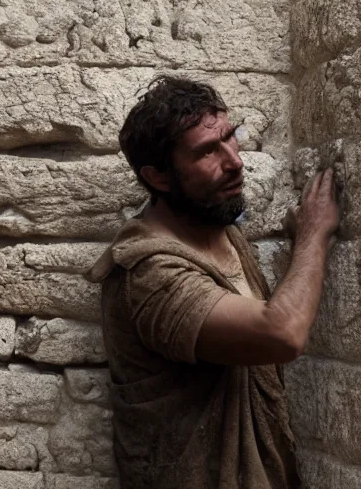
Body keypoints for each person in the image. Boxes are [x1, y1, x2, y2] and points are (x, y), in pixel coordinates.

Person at [86, 76, 339, 489]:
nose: (235, 160)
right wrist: (314, 236)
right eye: (207, 151)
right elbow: (282, 334)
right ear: (160, 177)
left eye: (230, 137)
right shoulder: (151, 274)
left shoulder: (218, 227)